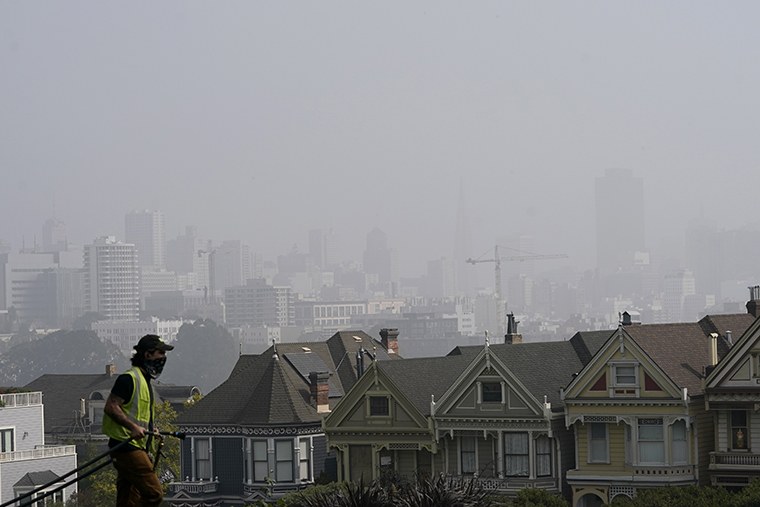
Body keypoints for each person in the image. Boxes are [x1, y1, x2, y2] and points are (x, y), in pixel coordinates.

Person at [103, 334, 174, 507]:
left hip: (136, 446)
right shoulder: (129, 379)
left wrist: (151, 429)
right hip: (126, 447)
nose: (164, 358)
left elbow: (138, 414)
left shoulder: (144, 381)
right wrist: (133, 427)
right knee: (154, 493)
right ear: (148, 355)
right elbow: (111, 406)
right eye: (160, 353)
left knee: (128, 501)